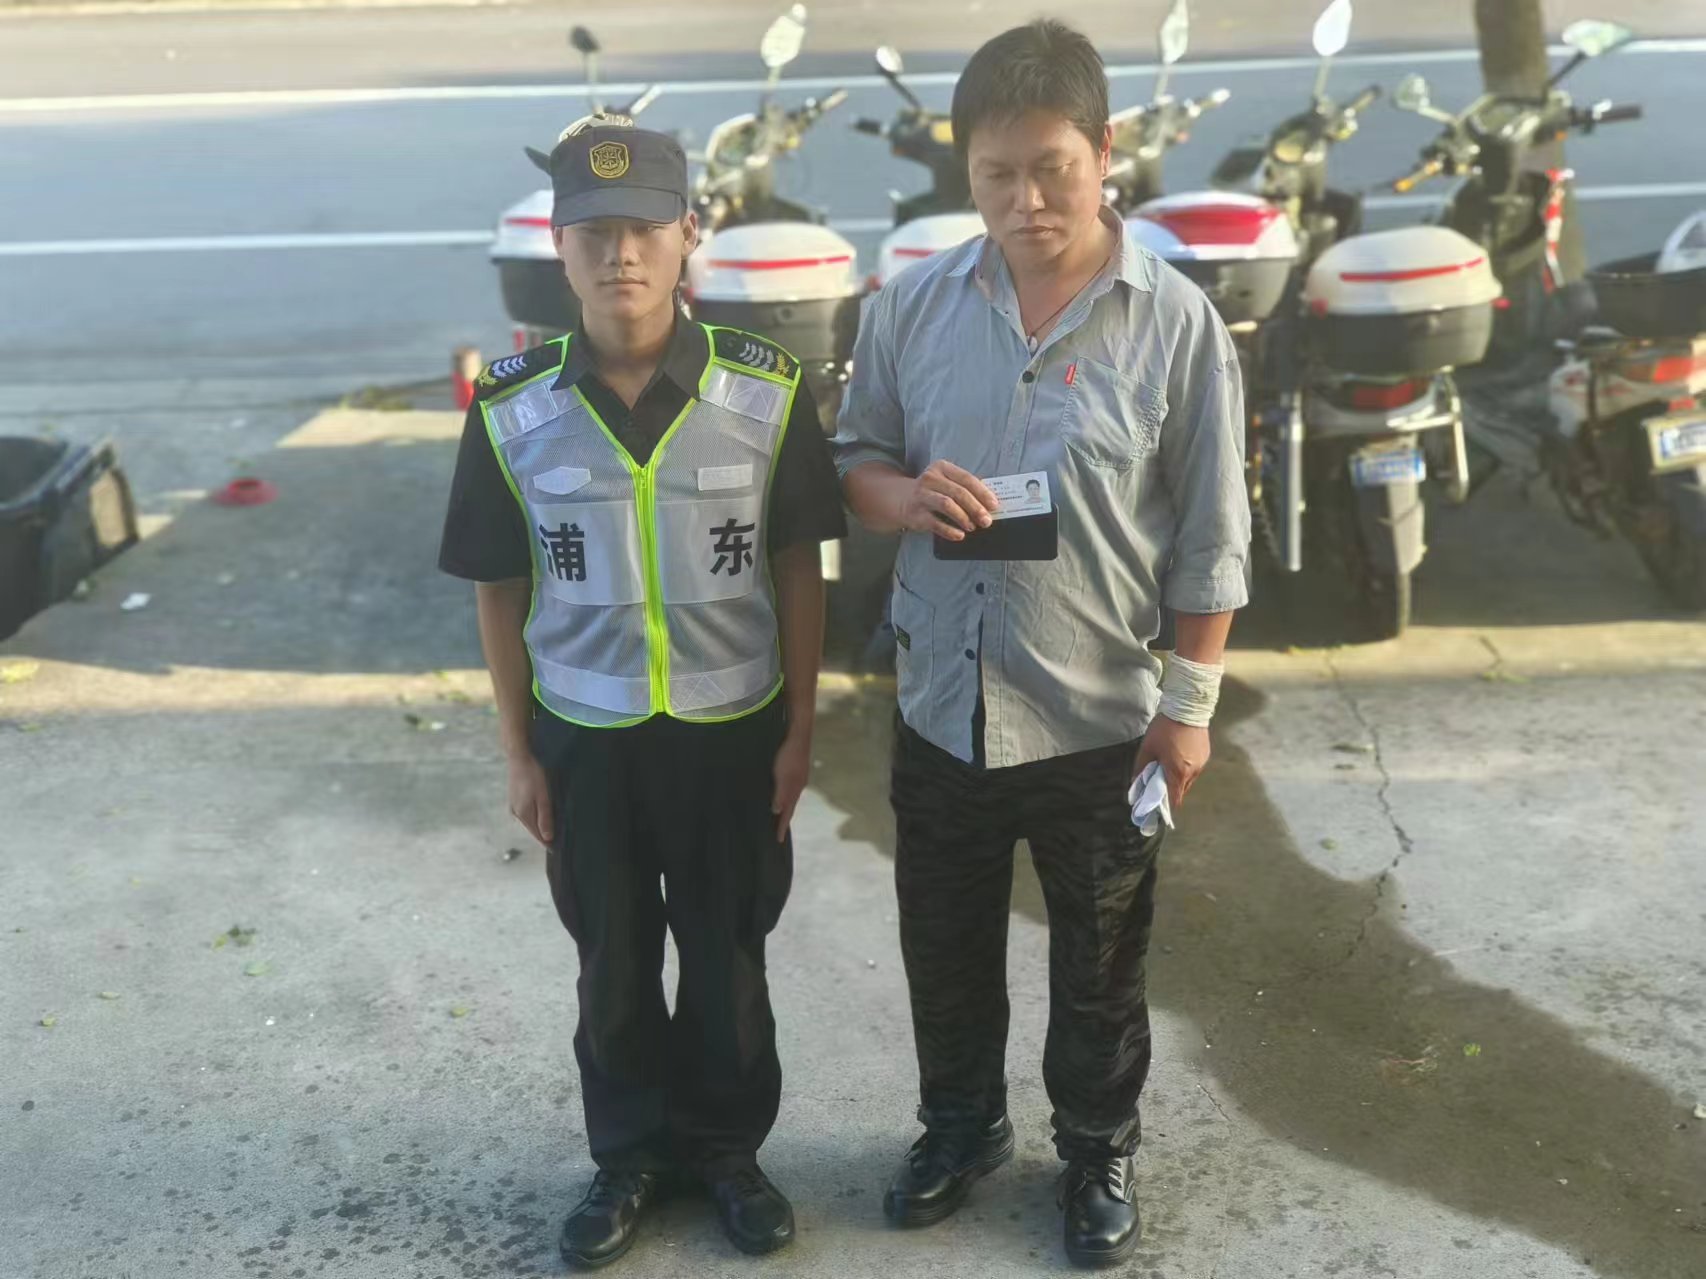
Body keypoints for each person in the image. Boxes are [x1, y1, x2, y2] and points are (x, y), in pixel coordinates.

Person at [832, 20, 1249, 1269]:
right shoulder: (911, 307)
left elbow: (1212, 538)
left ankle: (1095, 1148)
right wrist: (902, 497)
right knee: (944, 944)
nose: (1024, 202)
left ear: (1103, 151)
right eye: (995, 174)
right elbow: (854, 459)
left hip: (1098, 713)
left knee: (1101, 962)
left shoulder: (1176, 326)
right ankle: (959, 1127)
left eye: (1050, 170)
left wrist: (1188, 710)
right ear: (965, 169)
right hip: (941, 702)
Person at [437, 120, 845, 1268]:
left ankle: (724, 1151)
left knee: (726, 959)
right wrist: (518, 751)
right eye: (593, 232)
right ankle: (626, 1156)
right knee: (610, 963)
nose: (620, 253)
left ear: (688, 235)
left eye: (643, 229)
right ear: (558, 248)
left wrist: (799, 731)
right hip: (585, 739)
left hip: (731, 736)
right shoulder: (510, 405)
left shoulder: (764, 388)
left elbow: (796, 564)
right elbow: (498, 586)